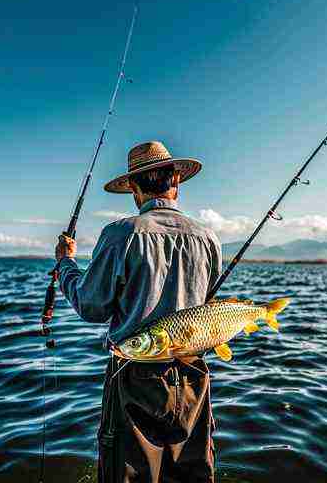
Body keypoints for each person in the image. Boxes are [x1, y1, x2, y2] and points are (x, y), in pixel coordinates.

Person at [55, 141, 222, 482]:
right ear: (175, 179)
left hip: (133, 374)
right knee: (193, 474)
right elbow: (210, 307)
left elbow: (91, 306)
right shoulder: (209, 238)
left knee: (127, 474)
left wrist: (66, 264)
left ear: (133, 186)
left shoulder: (121, 234)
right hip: (194, 377)